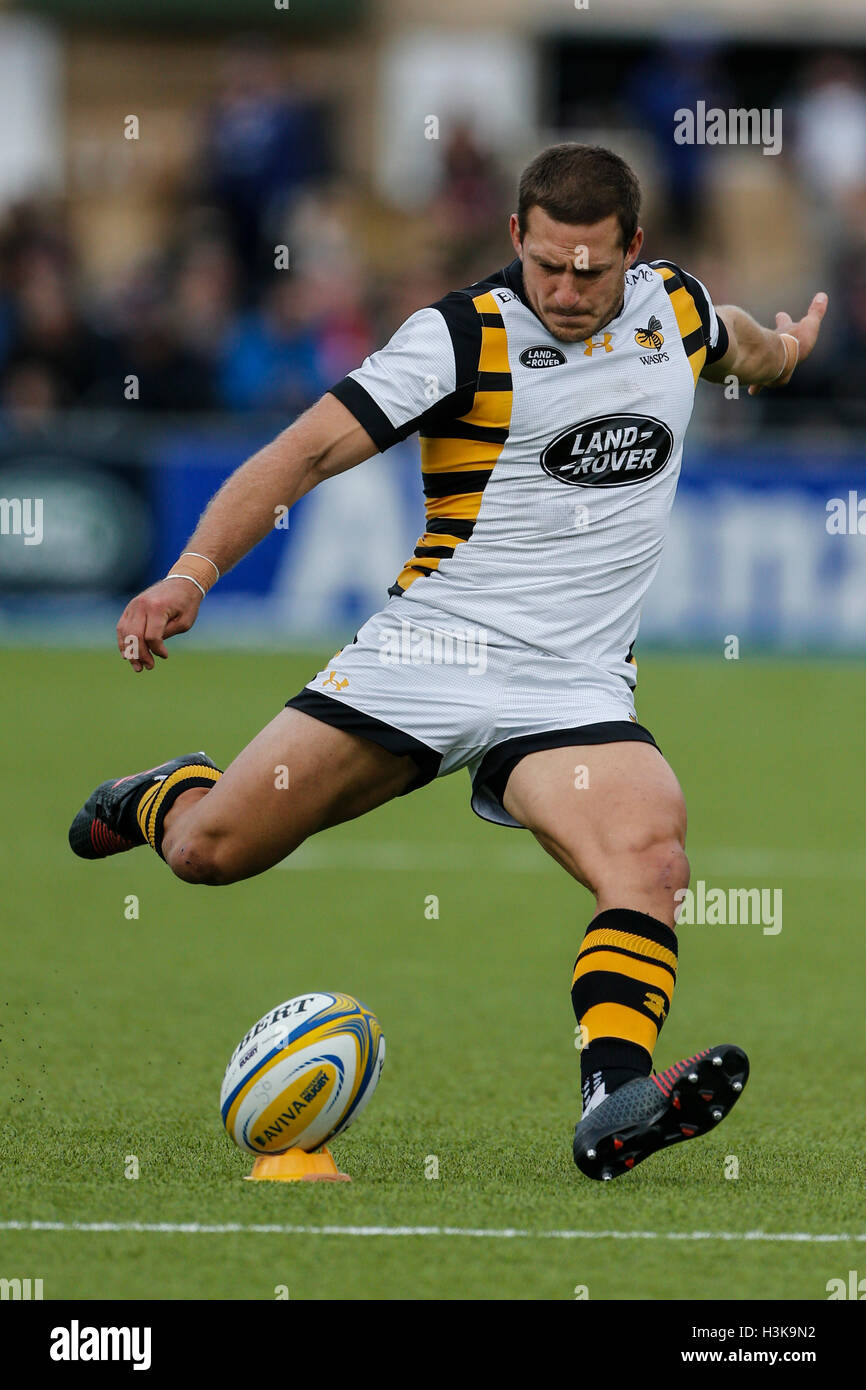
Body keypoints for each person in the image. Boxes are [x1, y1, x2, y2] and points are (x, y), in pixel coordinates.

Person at [68, 145, 827, 1181]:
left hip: (570, 684)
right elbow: (301, 454)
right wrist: (191, 574)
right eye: (546, 265)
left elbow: (734, 343)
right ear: (514, 237)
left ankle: (612, 1095)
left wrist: (781, 354)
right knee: (212, 851)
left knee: (649, 861)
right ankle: (167, 796)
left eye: (590, 271)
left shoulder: (673, 310)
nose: (565, 290)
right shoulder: (457, 336)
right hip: (428, 653)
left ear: (633, 254)